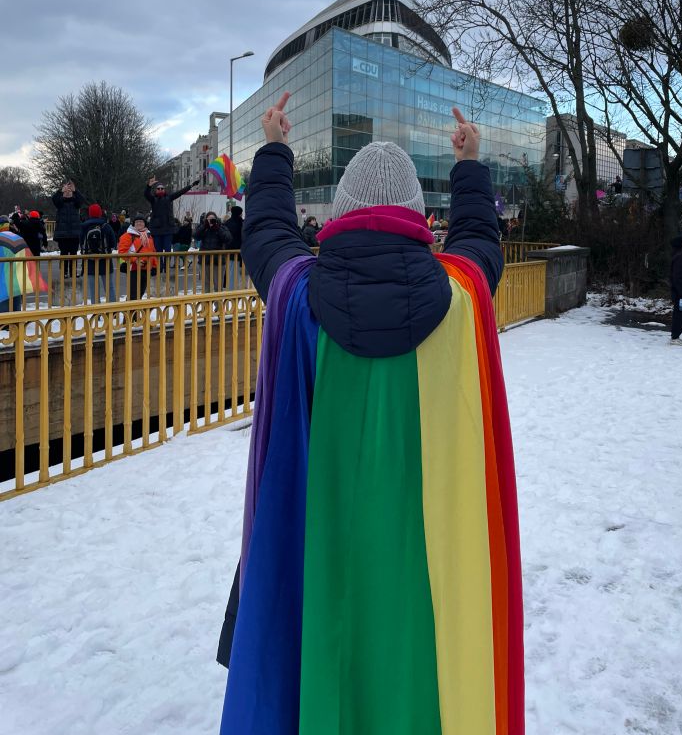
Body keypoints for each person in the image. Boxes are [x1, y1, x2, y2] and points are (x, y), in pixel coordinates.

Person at [219, 94, 523, 735]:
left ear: (343, 213)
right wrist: (469, 166)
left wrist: (275, 150)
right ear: (419, 217)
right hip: (426, 554)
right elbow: (481, 240)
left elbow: (267, 237)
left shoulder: (297, 294)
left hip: (323, 541)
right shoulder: (464, 293)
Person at [144, 175, 199, 270]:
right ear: (156, 190)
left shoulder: (169, 198)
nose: (160, 190)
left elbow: (180, 192)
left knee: (168, 250)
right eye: (158, 188)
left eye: (162, 188)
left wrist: (191, 185)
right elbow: (146, 194)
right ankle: (160, 266)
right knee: (158, 250)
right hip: (156, 230)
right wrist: (149, 185)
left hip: (168, 229)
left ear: (164, 190)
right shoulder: (153, 199)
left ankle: (166, 266)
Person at [79, 204, 117, 303]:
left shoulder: (84, 226)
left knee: (94, 290)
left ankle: (96, 314)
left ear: (89, 213)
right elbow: (113, 242)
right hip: (105, 260)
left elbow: (81, 242)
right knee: (110, 288)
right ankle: (112, 311)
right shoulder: (106, 226)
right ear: (100, 213)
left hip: (90, 261)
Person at [117, 214, 157, 300]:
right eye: (137, 222)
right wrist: (135, 260)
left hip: (146, 269)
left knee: (140, 294)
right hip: (134, 269)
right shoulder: (127, 236)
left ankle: (134, 312)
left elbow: (153, 252)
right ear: (133, 224)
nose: (139, 223)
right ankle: (131, 313)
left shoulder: (149, 236)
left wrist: (154, 266)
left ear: (145, 224)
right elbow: (122, 252)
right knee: (133, 295)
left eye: (141, 222)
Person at [52, 180, 85, 279]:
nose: (68, 193)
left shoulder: (75, 202)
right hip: (62, 234)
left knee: (73, 254)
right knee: (64, 254)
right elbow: (54, 199)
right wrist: (60, 191)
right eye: (66, 191)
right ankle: (64, 272)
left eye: (69, 191)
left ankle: (72, 272)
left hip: (74, 233)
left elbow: (81, 200)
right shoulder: (60, 202)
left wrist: (75, 191)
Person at [194, 211, 232, 291]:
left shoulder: (221, 226)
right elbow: (196, 236)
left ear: (216, 219)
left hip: (218, 261)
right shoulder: (203, 227)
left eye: (213, 219)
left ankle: (218, 303)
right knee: (206, 286)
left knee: (218, 286)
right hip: (204, 260)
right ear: (206, 219)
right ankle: (206, 303)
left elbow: (228, 238)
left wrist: (217, 228)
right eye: (209, 219)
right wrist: (204, 226)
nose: (211, 221)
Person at [225, 205, 244, 289]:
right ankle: (234, 291)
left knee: (231, 273)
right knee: (238, 274)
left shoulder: (227, 223)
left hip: (229, 252)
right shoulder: (241, 223)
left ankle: (232, 290)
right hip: (238, 251)